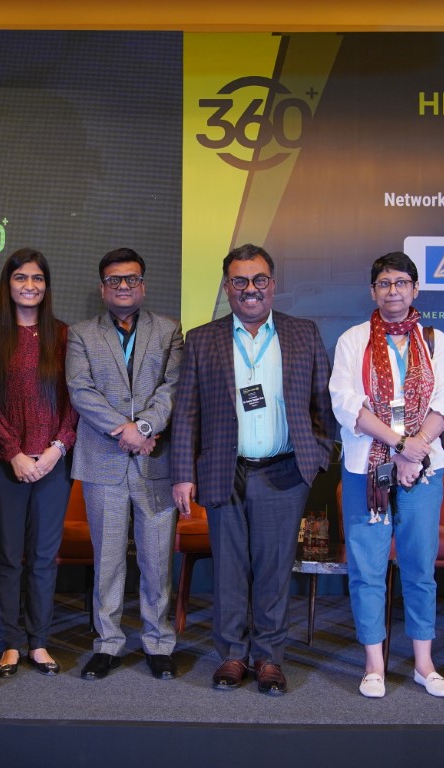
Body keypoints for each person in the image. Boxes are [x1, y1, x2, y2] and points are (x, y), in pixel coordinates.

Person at [171, 243, 334, 696]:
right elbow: (186, 412)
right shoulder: (202, 339)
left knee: (274, 570)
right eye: (239, 281)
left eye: (259, 279)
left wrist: (317, 456)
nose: (250, 289)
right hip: (223, 469)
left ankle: (268, 658)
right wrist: (183, 472)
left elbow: (322, 402)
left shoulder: (303, 333)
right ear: (227, 287)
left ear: (272, 284)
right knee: (229, 568)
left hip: (284, 472)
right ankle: (232, 654)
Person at [328, 251, 444, 699]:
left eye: (402, 282)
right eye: (384, 283)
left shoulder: (434, 341)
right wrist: (400, 446)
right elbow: (346, 404)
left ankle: (424, 664)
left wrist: (414, 449)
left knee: (420, 567)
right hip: (367, 468)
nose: (393, 291)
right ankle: (374, 665)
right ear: (373, 291)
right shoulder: (353, 340)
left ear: (415, 289)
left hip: (423, 467)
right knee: (367, 568)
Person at [66, 247, 183, 681]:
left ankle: (158, 642)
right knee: (108, 560)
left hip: (156, 462)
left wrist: (146, 426)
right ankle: (109, 643)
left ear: (143, 285)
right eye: (114, 280)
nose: (123, 286)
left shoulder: (169, 330)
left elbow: (172, 386)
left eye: (131, 279)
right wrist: (127, 432)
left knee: (157, 560)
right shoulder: (81, 333)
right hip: (104, 460)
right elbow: (81, 390)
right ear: (103, 288)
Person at [0, 248, 77, 679]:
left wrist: (58, 448)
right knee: (6, 557)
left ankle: (39, 642)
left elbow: (76, 399)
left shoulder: (64, 336)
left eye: (37, 278)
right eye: (21, 277)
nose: (29, 285)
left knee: (43, 558)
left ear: (46, 285)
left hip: (53, 465)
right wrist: (14, 453)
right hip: (7, 464)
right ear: (8, 285)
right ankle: (10, 643)